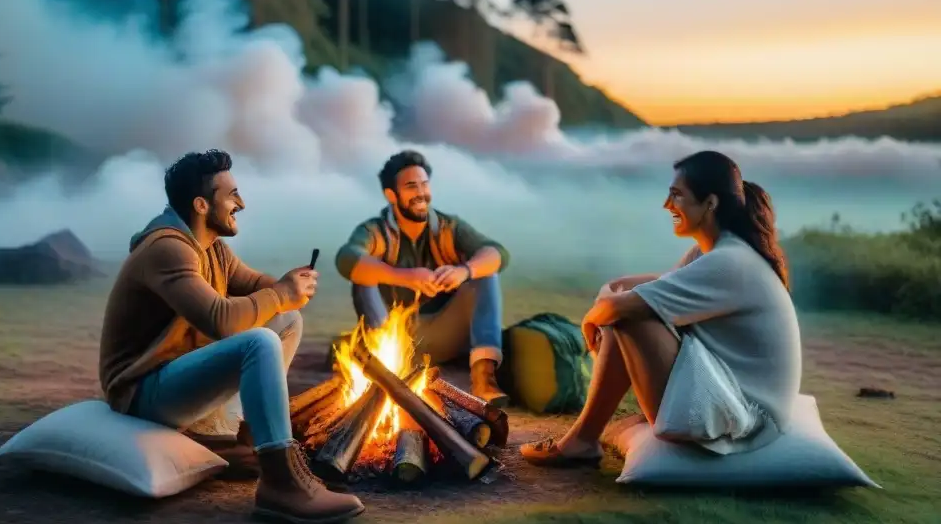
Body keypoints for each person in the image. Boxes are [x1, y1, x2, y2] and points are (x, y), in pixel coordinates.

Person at [97, 149, 365, 524]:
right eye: (232, 194)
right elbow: (220, 320)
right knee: (259, 342)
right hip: (142, 390)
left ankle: (248, 446)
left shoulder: (212, 247)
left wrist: (287, 286)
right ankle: (280, 483)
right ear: (202, 204)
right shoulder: (167, 249)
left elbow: (253, 285)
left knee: (286, 320)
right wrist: (280, 293)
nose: (241, 203)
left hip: (177, 375)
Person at [520, 150, 802, 465]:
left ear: (710, 203)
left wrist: (592, 320)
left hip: (747, 419)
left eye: (677, 196)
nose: (667, 205)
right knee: (629, 304)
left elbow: (624, 304)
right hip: (730, 395)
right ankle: (583, 440)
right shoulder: (712, 255)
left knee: (629, 313)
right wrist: (611, 301)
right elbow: (635, 288)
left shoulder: (729, 262)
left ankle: (582, 441)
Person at [334, 150, 512, 406]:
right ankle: (388, 372)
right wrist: (402, 276)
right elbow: (347, 258)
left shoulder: (449, 227)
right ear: (391, 195)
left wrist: (464, 271)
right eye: (410, 186)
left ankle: (484, 378)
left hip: (445, 331)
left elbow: (497, 252)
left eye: (424, 184)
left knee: (485, 275)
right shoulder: (376, 231)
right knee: (363, 278)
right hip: (395, 333)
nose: (420, 193)